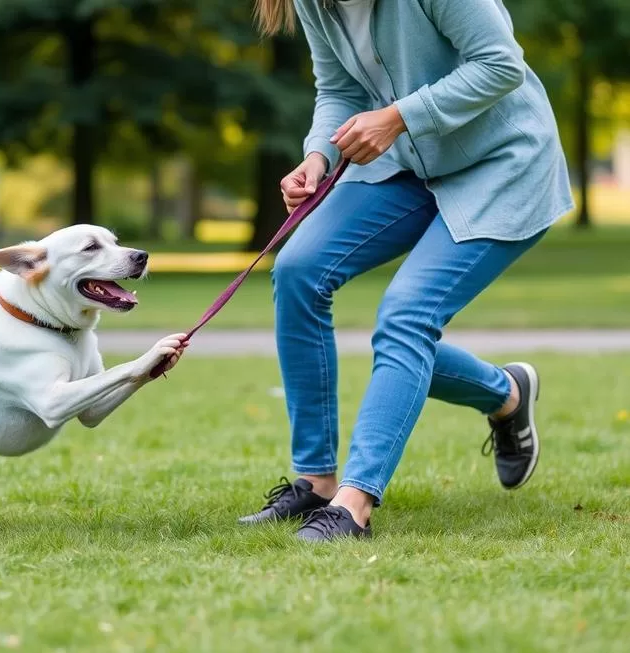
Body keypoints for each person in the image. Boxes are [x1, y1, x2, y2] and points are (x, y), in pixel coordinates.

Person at [240, 0, 573, 541]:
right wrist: (317, 157)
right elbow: (340, 91)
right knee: (298, 270)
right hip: (410, 163)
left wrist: (396, 117)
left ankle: (353, 504)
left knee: (405, 316)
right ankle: (318, 481)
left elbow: (500, 63)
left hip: (502, 161)